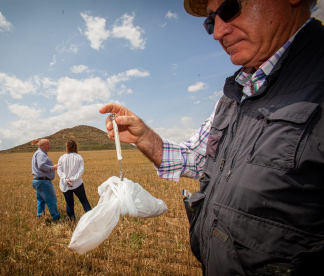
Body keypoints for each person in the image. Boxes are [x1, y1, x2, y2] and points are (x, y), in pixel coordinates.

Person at [100, 0, 324, 274]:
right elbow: (196, 158)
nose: (217, 32)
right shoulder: (234, 95)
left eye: (230, 8)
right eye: (210, 20)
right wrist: (144, 136)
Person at [57, 140, 91, 221]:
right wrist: (72, 179)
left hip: (65, 185)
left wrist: (66, 179)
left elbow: (59, 170)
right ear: (75, 147)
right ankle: (90, 219)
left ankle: (71, 221)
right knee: (84, 201)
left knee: (69, 203)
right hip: (77, 184)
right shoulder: (79, 157)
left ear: (67, 147)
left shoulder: (61, 158)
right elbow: (80, 171)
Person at [31, 139, 61, 222]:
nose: (49, 146)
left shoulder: (37, 153)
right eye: (47, 144)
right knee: (51, 199)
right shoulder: (41, 154)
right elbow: (41, 165)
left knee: (41, 200)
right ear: (41, 145)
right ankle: (56, 218)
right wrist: (53, 168)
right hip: (43, 181)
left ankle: (40, 218)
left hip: (37, 181)